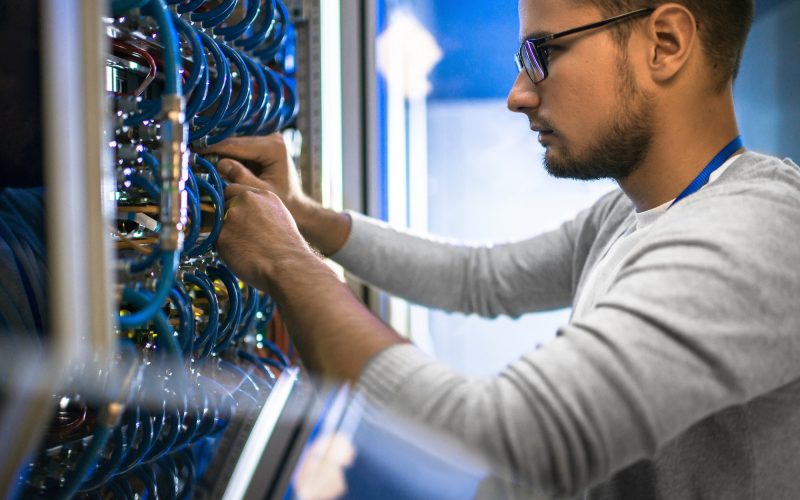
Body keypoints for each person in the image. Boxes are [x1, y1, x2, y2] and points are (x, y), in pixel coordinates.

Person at [206, 0, 800, 497]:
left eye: (541, 55)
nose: (518, 95)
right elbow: (480, 277)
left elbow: (499, 445)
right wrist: (303, 217)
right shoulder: (630, 214)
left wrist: (286, 263)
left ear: (665, 44)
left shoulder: (755, 233)